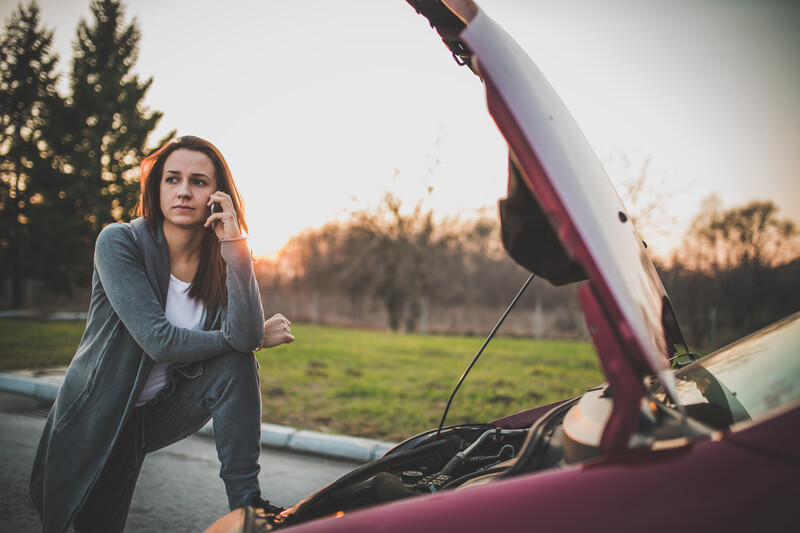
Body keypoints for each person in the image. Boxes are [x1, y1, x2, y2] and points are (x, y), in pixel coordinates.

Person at [29, 135, 295, 533]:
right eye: (172, 179)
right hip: (98, 418)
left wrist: (236, 246)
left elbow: (241, 340)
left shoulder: (222, 262)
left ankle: (248, 508)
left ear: (217, 195)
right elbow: (160, 340)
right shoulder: (120, 242)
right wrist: (250, 337)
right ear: (156, 189)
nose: (184, 191)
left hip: (155, 415)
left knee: (236, 364)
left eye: (199, 181)